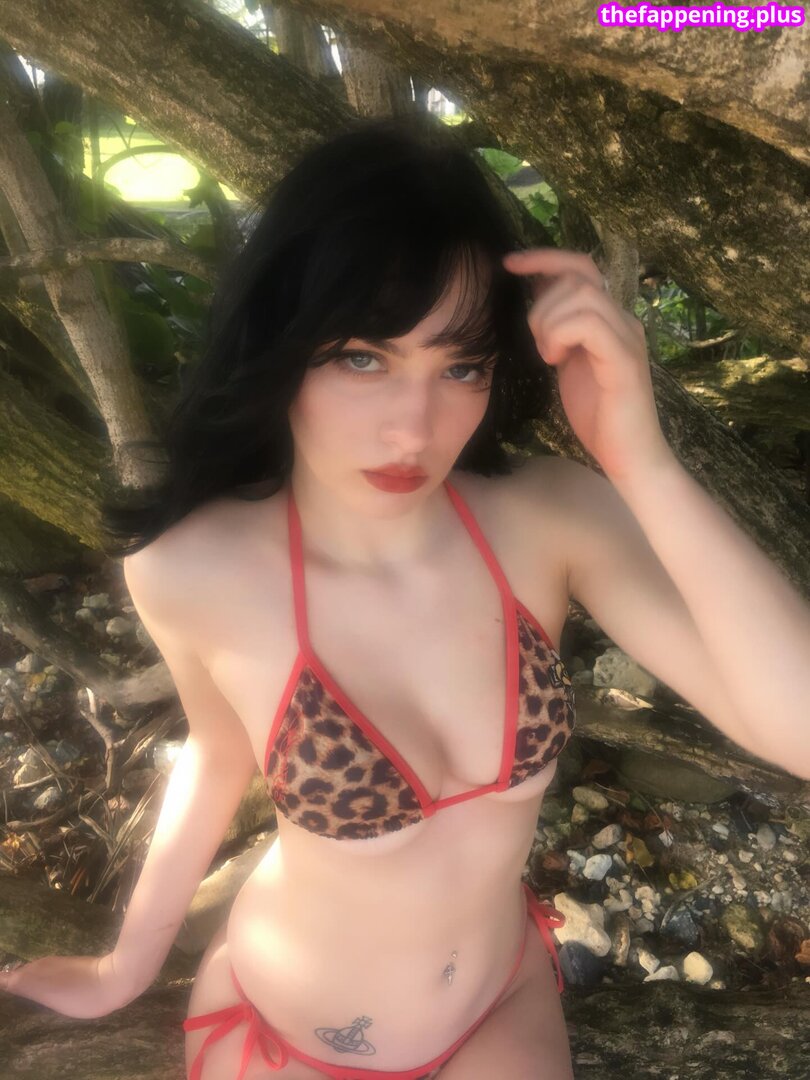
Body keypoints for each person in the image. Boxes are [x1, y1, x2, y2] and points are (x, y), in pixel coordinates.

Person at [5, 110, 807, 1078]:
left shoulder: (548, 519)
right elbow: (218, 753)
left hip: (503, 998)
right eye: (363, 357)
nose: (414, 429)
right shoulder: (192, 567)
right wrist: (124, 968)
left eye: (460, 366)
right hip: (290, 1038)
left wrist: (645, 463)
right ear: (283, 344)